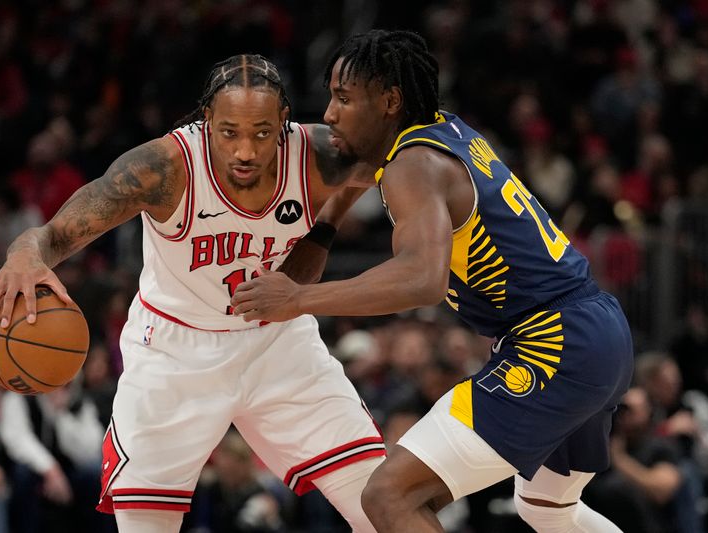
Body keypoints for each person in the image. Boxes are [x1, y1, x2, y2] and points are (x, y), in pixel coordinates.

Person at [231, 30, 634, 533]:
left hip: (553, 346)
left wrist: (299, 299)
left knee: (388, 496)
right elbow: (367, 169)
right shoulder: (442, 131)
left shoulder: (412, 165)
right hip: (600, 331)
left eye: (344, 98)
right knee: (547, 510)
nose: (330, 113)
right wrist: (326, 227)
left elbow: (420, 280)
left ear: (390, 101)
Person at [0, 54, 384, 532]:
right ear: (207, 120)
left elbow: (389, 152)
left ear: (284, 121)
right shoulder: (161, 168)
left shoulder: (317, 152)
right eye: (230, 132)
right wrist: (24, 255)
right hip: (173, 353)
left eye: (261, 132)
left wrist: (324, 231)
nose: (246, 151)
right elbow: (52, 235)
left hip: (278, 342)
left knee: (383, 506)